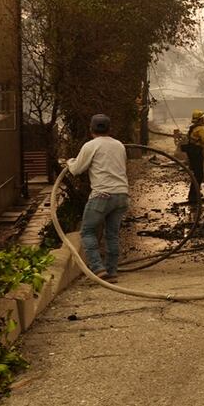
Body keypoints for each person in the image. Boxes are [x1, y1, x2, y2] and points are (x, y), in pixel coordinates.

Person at [67, 114, 129, 284]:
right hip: (122, 195)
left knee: (87, 232)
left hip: (102, 195)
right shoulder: (119, 145)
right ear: (110, 129)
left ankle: (98, 269)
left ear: (91, 129)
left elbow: (76, 169)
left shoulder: (90, 146)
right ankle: (112, 271)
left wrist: (70, 162)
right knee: (112, 234)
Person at [181, 109, 204, 202]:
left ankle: (194, 194)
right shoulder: (201, 128)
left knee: (196, 173)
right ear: (200, 119)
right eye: (203, 118)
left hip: (192, 152)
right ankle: (194, 196)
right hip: (197, 152)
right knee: (199, 174)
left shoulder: (193, 128)